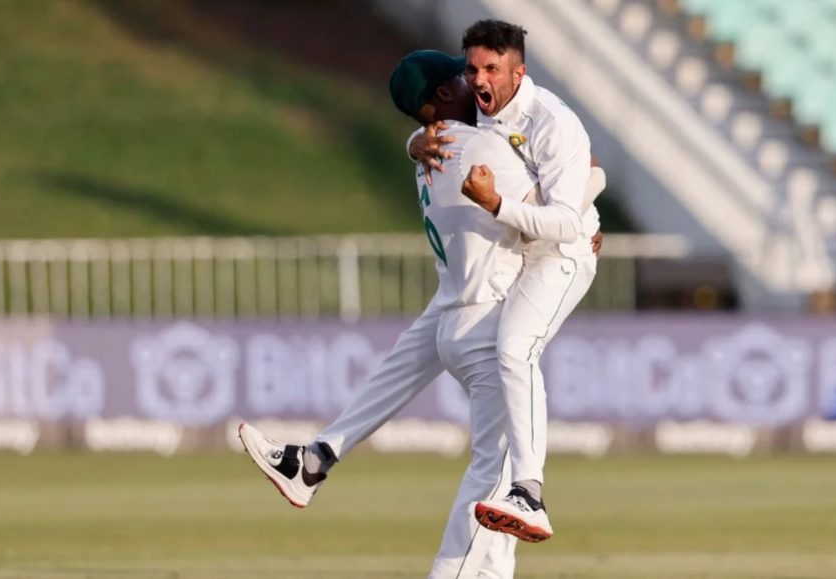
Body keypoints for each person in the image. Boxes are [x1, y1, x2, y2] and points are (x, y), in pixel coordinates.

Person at [239, 49, 603, 578]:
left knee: (412, 375)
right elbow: (554, 217)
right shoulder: (480, 147)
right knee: (495, 482)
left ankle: (316, 457)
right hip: (488, 324)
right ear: (440, 96)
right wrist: (590, 195)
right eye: (462, 75)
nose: (474, 80)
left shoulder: (431, 154)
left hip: (453, 313)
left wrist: (414, 139)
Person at [409, 20, 600, 542]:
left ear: (519, 72)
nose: (479, 80)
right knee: (489, 348)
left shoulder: (553, 121)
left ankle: (530, 493)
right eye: (472, 69)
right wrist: (414, 142)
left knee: (514, 347)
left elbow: (565, 221)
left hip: (566, 251)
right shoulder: (477, 105)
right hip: (525, 253)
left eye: (491, 69)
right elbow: (434, 123)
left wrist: (497, 204)